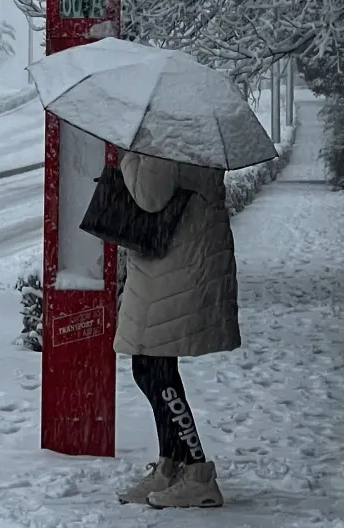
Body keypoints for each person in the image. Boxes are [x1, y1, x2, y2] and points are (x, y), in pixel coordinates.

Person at [112, 148, 238, 509]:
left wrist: (129, 156)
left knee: (154, 370)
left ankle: (197, 472)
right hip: (175, 261)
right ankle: (171, 464)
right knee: (152, 367)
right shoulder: (186, 134)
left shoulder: (167, 136)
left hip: (176, 265)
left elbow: (149, 196)